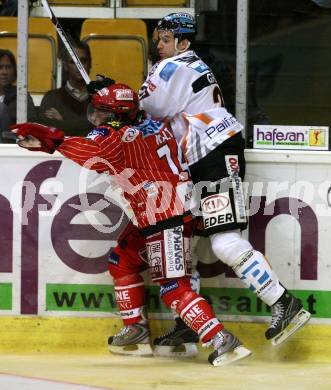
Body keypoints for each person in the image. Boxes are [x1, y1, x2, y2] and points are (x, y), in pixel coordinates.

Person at [12, 82, 252, 367]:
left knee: (173, 285)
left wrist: (54, 140)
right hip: (163, 211)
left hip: (166, 217)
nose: (95, 117)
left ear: (117, 115)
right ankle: (136, 331)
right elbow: (109, 134)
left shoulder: (120, 138)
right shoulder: (152, 122)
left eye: (101, 112)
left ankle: (221, 339)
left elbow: (94, 153)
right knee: (122, 260)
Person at [139, 12, 311, 353]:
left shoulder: (173, 67)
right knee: (185, 243)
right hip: (202, 158)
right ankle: (188, 324)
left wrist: (108, 98)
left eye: (166, 39)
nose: (159, 44)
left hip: (213, 154)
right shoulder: (189, 65)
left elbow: (147, 109)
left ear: (184, 43)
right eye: (157, 38)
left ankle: (282, 302)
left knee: (223, 242)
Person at [38, 41, 93, 136]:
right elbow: (47, 130)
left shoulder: (101, 97)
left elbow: (100, 129)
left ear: (90, 64)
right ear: (65, 66)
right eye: (73, 62)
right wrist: (85, 123)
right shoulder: (51, 97)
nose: (79, 66)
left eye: (83, 61)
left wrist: (64, 120)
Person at [0, 49, 36, 142]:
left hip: (13, 149)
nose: (4, 72)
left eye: (8, 67)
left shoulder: (22, 96)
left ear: (15, 71)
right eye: (0, 67)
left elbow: (32, 127)